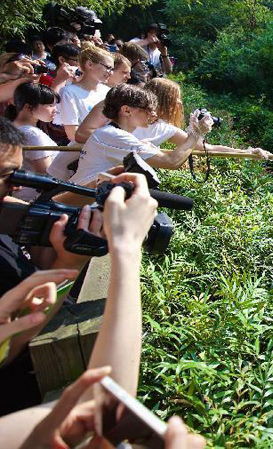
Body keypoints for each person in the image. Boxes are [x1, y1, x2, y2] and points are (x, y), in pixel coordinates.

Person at [0, 172, 205, 447]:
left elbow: (19, 334)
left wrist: (71, 260)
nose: (14, 184)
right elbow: (102, 401)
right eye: (4, 173)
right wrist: (127, 246)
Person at [0, 118, 104, 413]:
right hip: (26, 390)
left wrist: (64, 243)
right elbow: (9, 347)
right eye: (7, 175)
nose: (18, 186)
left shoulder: (4, 217)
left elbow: (37, 268)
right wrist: (73, 262)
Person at [74, 78, 273, 160]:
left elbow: (205, 148)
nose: (179, 105)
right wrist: (133, 145)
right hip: (76, 161)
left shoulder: (164, 128)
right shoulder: (115, 105)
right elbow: (82, 134)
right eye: (176, 100)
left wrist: (247, 152)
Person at [69, 84, 215, 187]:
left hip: (82, 194)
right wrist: (196, 133)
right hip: (80, 199)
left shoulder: (112, 133)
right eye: (148, 109)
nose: (154, 114)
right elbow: (171, 162)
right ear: (126, 110)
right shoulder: (115, 136)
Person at [6, 83, 60, 201]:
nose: (55, 110)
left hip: (20, 195)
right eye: (50, 105)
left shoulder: (11, 128)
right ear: (28, 107)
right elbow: (46, 174)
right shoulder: (32, 134)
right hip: (34, 198)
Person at [53, 46, 113, 142]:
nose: (111, 72)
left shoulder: (108, 91)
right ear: (89, 64)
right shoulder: (68, 92)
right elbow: (73, 134)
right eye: (108, 67)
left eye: (112, 69)